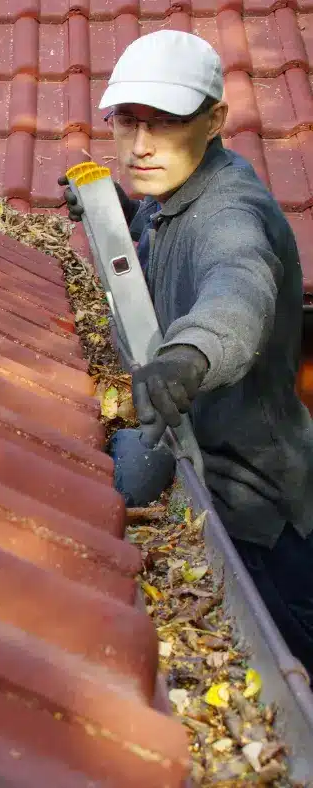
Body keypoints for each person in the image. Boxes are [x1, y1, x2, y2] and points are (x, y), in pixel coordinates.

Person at [59, 29, 313, 670]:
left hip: (258, 516)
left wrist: (186, 358)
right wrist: (115, 217)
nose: (141, 147)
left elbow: (238, 288)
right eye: (127, 123)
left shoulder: (230, 212)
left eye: (166, 123)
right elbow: (162, 258)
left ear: (215, 120)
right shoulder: (169, 192)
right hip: (212, 481)